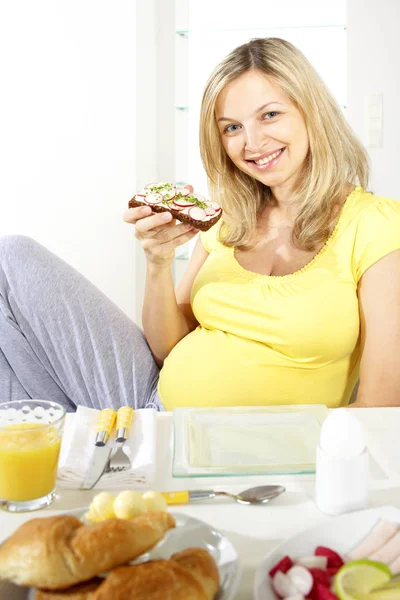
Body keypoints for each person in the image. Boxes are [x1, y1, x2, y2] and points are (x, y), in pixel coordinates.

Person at [0, 38, 399, 412]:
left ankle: (74, 452)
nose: (253, 142)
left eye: (270, 115)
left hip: (254, 445)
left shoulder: (375, 225)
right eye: (232, 127)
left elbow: (380, 408)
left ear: (312, 113)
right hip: (154, 404)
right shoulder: (229, 218)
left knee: (37, 409)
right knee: (10, 259)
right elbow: (167, 348)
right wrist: (157, 261)